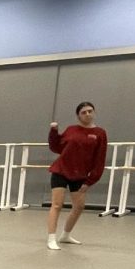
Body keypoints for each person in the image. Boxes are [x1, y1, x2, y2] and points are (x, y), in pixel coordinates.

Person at [47, 102, 107, 250]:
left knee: (79, 206)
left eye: (90, 111)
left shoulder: (100, 133)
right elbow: (57, 147)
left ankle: (65, 235)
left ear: (94, 112)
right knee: (57, 205)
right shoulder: (71, 130)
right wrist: (53, 132)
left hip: (79, 175)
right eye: (83, 112)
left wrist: (91, 180)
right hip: (61, 170)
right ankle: (51, 238)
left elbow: (100, 159)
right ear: (78, 115)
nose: (87, 114)